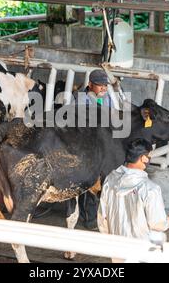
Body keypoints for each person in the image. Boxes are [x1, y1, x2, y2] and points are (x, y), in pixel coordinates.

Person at [97, 138, 169, 262]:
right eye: (148, 156)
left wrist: (110, 241)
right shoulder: (150, 189)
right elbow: (157, 223)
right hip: (142, 251)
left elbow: (102, 217)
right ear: (143, 158)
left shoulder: (110, 180)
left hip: (117, 248)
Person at [74, 69, 113, 229]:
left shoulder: (108, 98)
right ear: (90, 85)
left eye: (105, 85)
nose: (103, 88)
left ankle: (94, 215)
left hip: (101, 144)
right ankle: (88, 218)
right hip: (84, 145)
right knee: (87, 181)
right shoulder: (79, 100)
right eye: (99, 85)